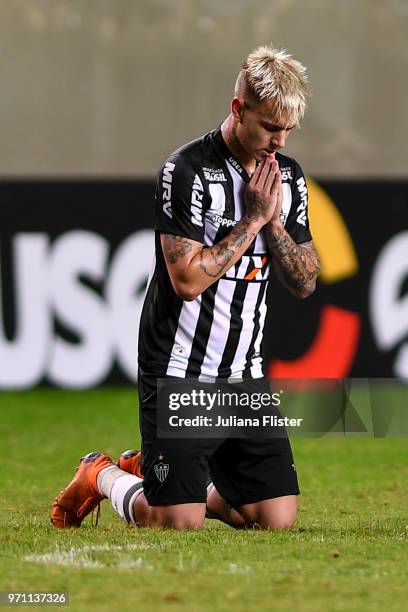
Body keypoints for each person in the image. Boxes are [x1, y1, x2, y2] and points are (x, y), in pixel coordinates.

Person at [51, 44, 320, 531]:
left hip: (244, 374)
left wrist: (274, 225)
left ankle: (176, 479)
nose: (279, 141)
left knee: (275, 520)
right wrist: (253, 219)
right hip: (179, 370)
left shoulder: (289, 178)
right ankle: (102, 474)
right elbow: (188, 280)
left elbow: (305, 282)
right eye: (269, 126)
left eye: (288, 130)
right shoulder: (188, 169)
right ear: (239, 109)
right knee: (178, 522)